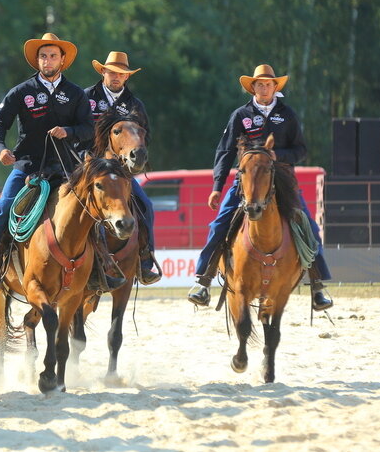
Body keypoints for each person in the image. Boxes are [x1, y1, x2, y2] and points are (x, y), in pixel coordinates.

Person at [186, 64, 333, 311]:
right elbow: (225, 151)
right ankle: (203, 280)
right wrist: (217, 187)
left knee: (308, 224)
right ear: (252, 87)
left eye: (268, 84)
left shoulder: (288, 115)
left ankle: (318, 285)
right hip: (245, 181)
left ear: (276, 87)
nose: (264, 88)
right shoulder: (240, 115)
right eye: (259, 84)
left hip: (283, 180)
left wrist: (278, 155)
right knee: (220, 224)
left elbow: (301, 150)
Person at [0, 33, 94, 292]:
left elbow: (89, 128)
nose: (47, 60)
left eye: (52, 56)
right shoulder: (21, 92)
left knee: (92, 211)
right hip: (27, 166)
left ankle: (101, 268)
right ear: (37, 61)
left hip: (65, 169)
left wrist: (69, 131)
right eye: (43, 56)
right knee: (3, 209)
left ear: (62, 60)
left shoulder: (75, 94)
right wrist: (0, 149)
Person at [84, 51, 160, 285]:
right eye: (112, 72)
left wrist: (133, 158)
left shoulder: (135, 105)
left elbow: (145, 136)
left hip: (120, 173)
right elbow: (76, 129)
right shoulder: (85, 97)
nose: (116, 76)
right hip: (89, 168)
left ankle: (145, 260)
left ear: (126, 77)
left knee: (145, 206)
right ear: (103, 72)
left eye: (121, 73)